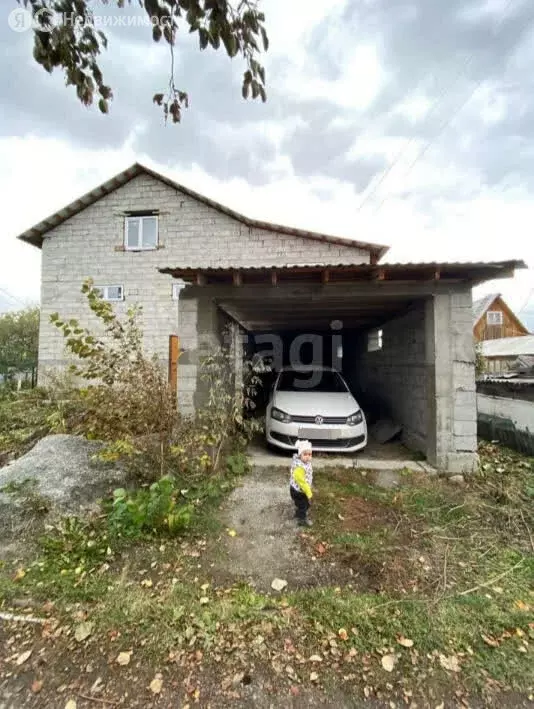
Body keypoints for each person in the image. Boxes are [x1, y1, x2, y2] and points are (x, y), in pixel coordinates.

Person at [289, 439, 314, 527]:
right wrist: (309, 493)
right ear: (300, 455)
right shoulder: (300, 467)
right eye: (305, 454)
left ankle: (299, 512)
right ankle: (302, 520)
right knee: (304, 505)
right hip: (298, 491)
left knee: (303, 504)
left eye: (310, 454)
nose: (308, 456)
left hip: (299, 489)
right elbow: (302, 482)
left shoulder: (305, 463)